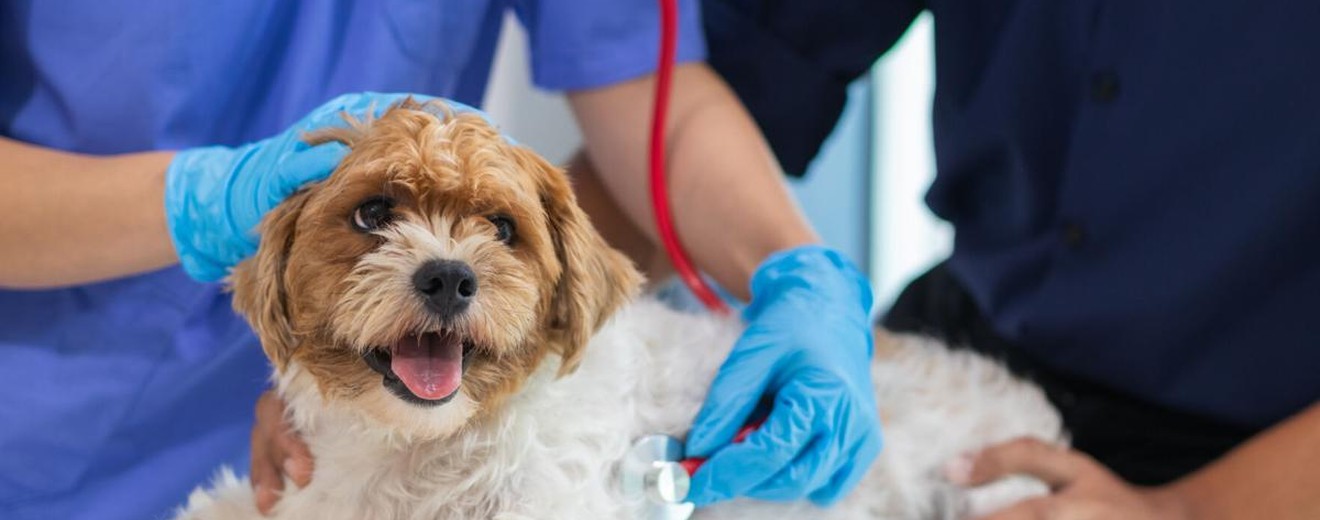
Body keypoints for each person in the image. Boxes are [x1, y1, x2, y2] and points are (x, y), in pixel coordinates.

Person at [0, 2, 879, 519]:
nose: (449, 263)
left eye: (493, 230)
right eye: (379, 216)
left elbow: (651, 99)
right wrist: (206, 198)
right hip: (37, 433)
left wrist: (800, 269)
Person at [698, 0, 1320, 518]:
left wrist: (1182, 509)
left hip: (1261, 464)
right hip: (958, 354)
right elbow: (714, 92)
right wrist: (799, 282)